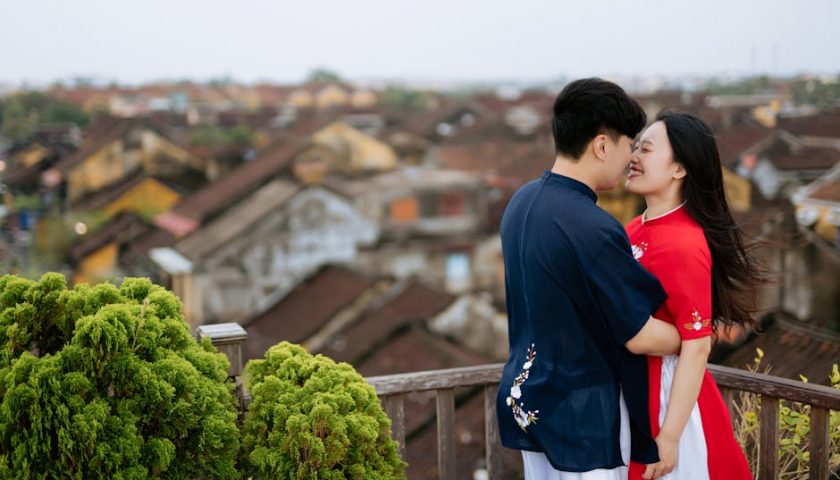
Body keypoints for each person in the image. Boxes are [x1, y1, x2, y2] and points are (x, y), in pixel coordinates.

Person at [497, 78, 682, 480]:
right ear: (601, 145)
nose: (631, 158)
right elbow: (640, 335)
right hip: (582, 415)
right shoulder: (592, 226)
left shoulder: (521, 201)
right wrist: (698, 336)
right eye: (628, 145)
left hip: (527, 399)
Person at [624, 111, 761, 479]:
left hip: (667, 397)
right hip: (634, 386)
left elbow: (697, 345)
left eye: (646, 149)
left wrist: (670, 437)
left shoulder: (685, 243)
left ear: (679, 168)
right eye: (635, 147)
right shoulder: (632, 229)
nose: (633, 156)